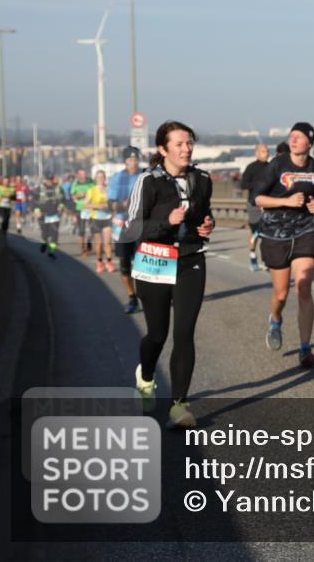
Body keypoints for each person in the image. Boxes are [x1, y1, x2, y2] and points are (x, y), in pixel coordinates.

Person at [125, 121, 215, 429]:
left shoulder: (202, 179)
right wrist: (166, 220)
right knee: (157, 335)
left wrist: (207, 225)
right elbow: (132, 228)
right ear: (162, 149)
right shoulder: (148, 182)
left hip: (191, 259)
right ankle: (146, 375)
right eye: (178, 144)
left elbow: (205, 212)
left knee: (184, 333)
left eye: (189, 143)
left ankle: (179, 405)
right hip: (155, 260)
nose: (186, 148)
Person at [252, 123, 314, 368]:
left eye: (299, 136)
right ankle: (275, 319)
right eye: (292, 135)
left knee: (303, 288)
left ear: (309, 143)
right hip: (275, 235)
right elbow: (257, 198)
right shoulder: (277, 165)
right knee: (281, 294)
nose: (293, 139)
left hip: (304, 232)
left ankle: (305, 349)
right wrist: (287, 201)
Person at [110, 147, 144, 312]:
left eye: (136, 159)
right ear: (125, 161)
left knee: (142, 264)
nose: (133, 162)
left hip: (141, 225)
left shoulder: (145, 176)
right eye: (130, 159)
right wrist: (122, 204)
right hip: (122, 225)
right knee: (125, 266)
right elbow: (112, 203)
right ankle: (132, 298)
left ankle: (147, 295)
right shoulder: (117, 178)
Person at [240, 143, 270, 271]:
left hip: (268, 204)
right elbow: (243, 184)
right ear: (257, 153)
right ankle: (253, 256)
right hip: (253, 204)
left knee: (268, 233)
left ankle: (267, 260)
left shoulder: (271, 167)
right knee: (256, 232)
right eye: (263, 151)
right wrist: (257, 184)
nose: (266, 153)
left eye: (267, 151)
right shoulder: (251, 167)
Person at [84, 170, 115, 273]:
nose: (100, 178)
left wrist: (110, 207)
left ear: (105, 178)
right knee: (99, 243)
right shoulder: (92, 190)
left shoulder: (109, 190)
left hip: (107, 218)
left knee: (107, 243)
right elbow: (85, 204)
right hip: (96, 219)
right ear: (95, 178)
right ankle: (100, 262)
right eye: (98, 177)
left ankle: (109, 262)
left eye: (102, 176)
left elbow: (113, 203)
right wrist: (97, 206)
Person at [34, 173, 64, 259]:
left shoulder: (58, 188)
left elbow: (63, 199)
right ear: (45, 180)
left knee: (54, 234)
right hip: (43, 214)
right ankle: (44, 242)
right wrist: (36, 210)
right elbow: (34, 200)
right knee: (45, 233)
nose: (49, 181)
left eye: (51, 179)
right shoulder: (39, 189)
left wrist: (61, 206)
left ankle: (51, 252)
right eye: (48, 179)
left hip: (55, 214)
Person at [70, 168, 94, 256]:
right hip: (80, 208)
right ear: (78, 175)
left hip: (91, 208)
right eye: (81, 174)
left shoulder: (92, 182)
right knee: (81, 230)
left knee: (93, 229)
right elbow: (73, 197)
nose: (83, 176)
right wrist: (80, 195)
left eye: (84, 174)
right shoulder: (75, 184)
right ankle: (83, 249)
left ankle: (89, 241)